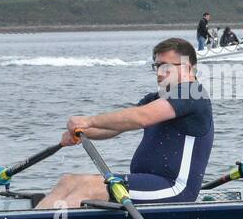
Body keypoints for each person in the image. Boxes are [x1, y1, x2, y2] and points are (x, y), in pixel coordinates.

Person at [37, 37, 215, 208]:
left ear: (189, 68)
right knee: (68, 181)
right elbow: (116, 128)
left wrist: (89, 120)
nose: (160, 72)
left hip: (174, 189)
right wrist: (83, 131)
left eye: (166, 66)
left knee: (89, 188)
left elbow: (140, 118)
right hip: (146, 182)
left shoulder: (192, 94)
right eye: (157, 66)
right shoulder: (155, 99)